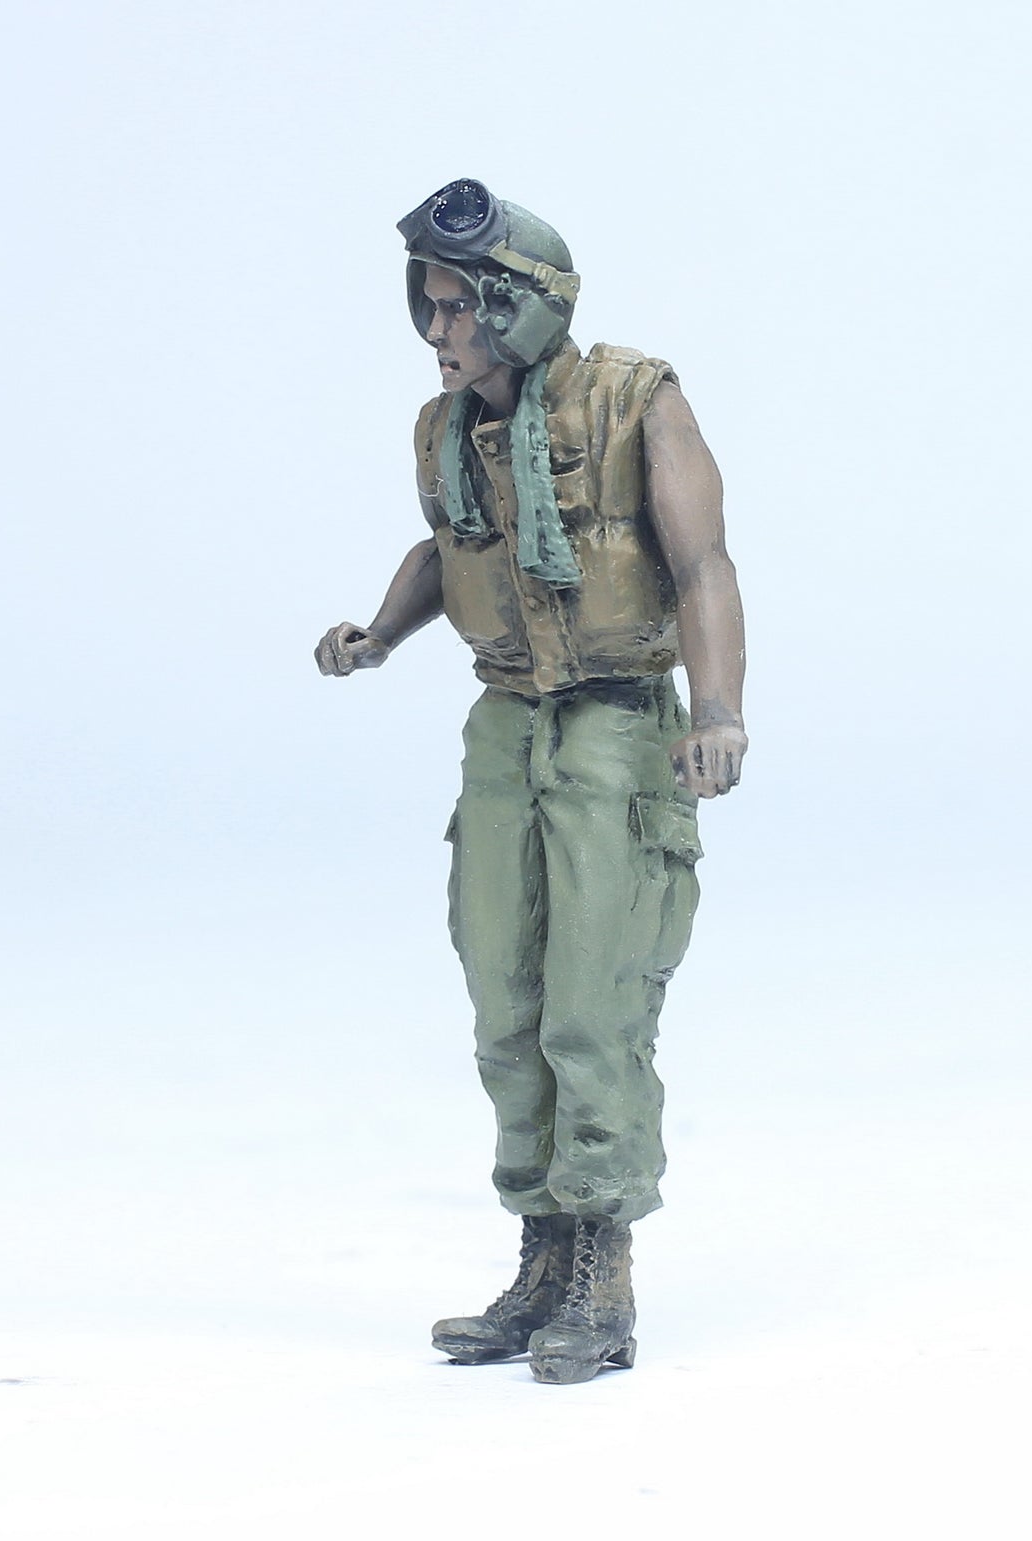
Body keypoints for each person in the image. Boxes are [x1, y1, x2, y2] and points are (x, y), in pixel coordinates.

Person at [315, 179, 747, 1385]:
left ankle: (602, 1272)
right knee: (505, 1004)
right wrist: (381, 634)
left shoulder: (634, 400)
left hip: (615, 727)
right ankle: (542, 1259)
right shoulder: (445, 431)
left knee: (594, 1004)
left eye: (461, 307)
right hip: (505, 724)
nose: (440, 330)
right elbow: (446, 548)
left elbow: (703, 563)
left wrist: (717, 712)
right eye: (430, 306)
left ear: (523, 307)